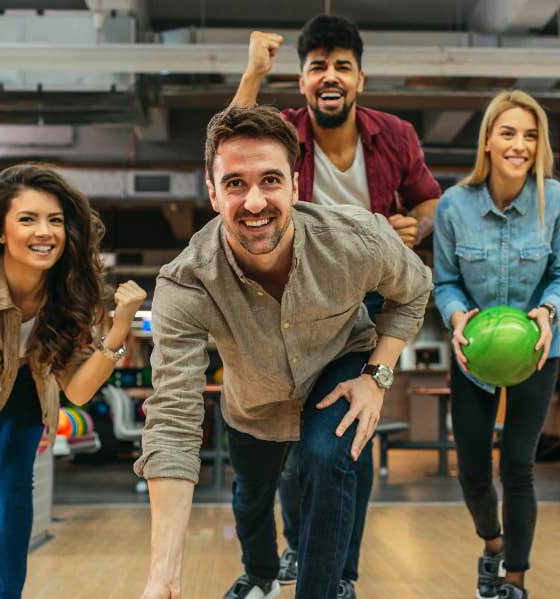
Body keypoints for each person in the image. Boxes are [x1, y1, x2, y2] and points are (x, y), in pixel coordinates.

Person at [136, 105, 432, 599]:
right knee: (252, 499)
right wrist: (162, 575)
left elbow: (415, 290)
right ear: (212, 194)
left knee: (327, 456)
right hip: (252, 402)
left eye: (270, 180)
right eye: (234, 184)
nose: (255, 202)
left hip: (338, 367)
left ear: (295, 186)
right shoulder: (185, 283)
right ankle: (259, 573)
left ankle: (328, 586)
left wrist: (377, 376)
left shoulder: (355, 239)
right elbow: (172, 420)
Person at [233, 14, 442, 588]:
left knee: (350, 432)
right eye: (317, 66)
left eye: (342, 67)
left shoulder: (395, 135)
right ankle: (302, 545)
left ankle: (338, 569)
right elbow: (232, 139)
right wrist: (254, 73)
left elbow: (429, 201)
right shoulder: (283, 130)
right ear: (301, 81)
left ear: (360, 79)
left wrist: (415, 229)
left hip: (372, 303)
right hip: (294, 304)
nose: (331, 76)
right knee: (298, 444)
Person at [0, 163, 146, 599]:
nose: (45, 232)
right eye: (27, 219)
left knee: (15, 481)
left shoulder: (71, 286)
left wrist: (119, 327)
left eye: (55, 220)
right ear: (1, 232)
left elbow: (79, 390)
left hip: (29, 371)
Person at [432, 90, 560, 599]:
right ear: (488, 142)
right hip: (474, 353)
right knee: (473, 470)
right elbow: (445, 281)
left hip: (538, 349)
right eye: (509, 133)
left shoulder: (558, 201)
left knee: (518, 464)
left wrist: (546, 311)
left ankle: (514, 581)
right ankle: (494, 545)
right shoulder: (454, 206)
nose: (520, 145)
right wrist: (456, 317)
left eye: (531, 135)